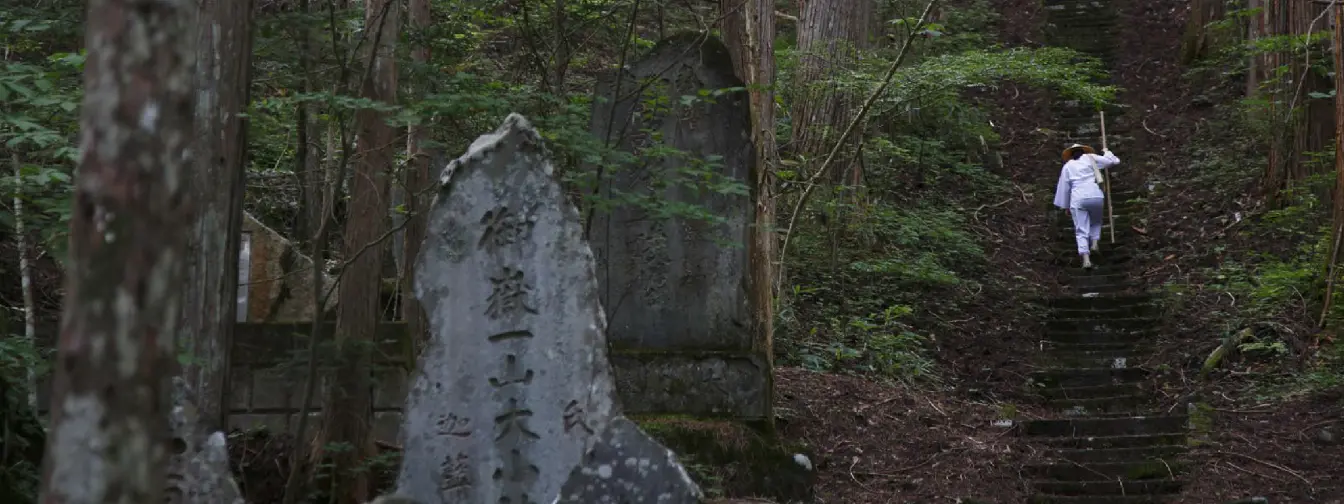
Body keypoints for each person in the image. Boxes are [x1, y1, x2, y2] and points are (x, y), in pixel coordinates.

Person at [1053, 143, 1120, 269]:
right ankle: (1094, 243)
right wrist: (1107, 152)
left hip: (1078, 197)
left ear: (1071, 155)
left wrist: (1066, 205)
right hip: (1095, 195)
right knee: (1096, 221)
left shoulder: (1068, 166)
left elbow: (1065, 188)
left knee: (1081, 228)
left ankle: (1086, 259)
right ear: (1083, 151)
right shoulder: (1091, 157)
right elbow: (1112, 162)